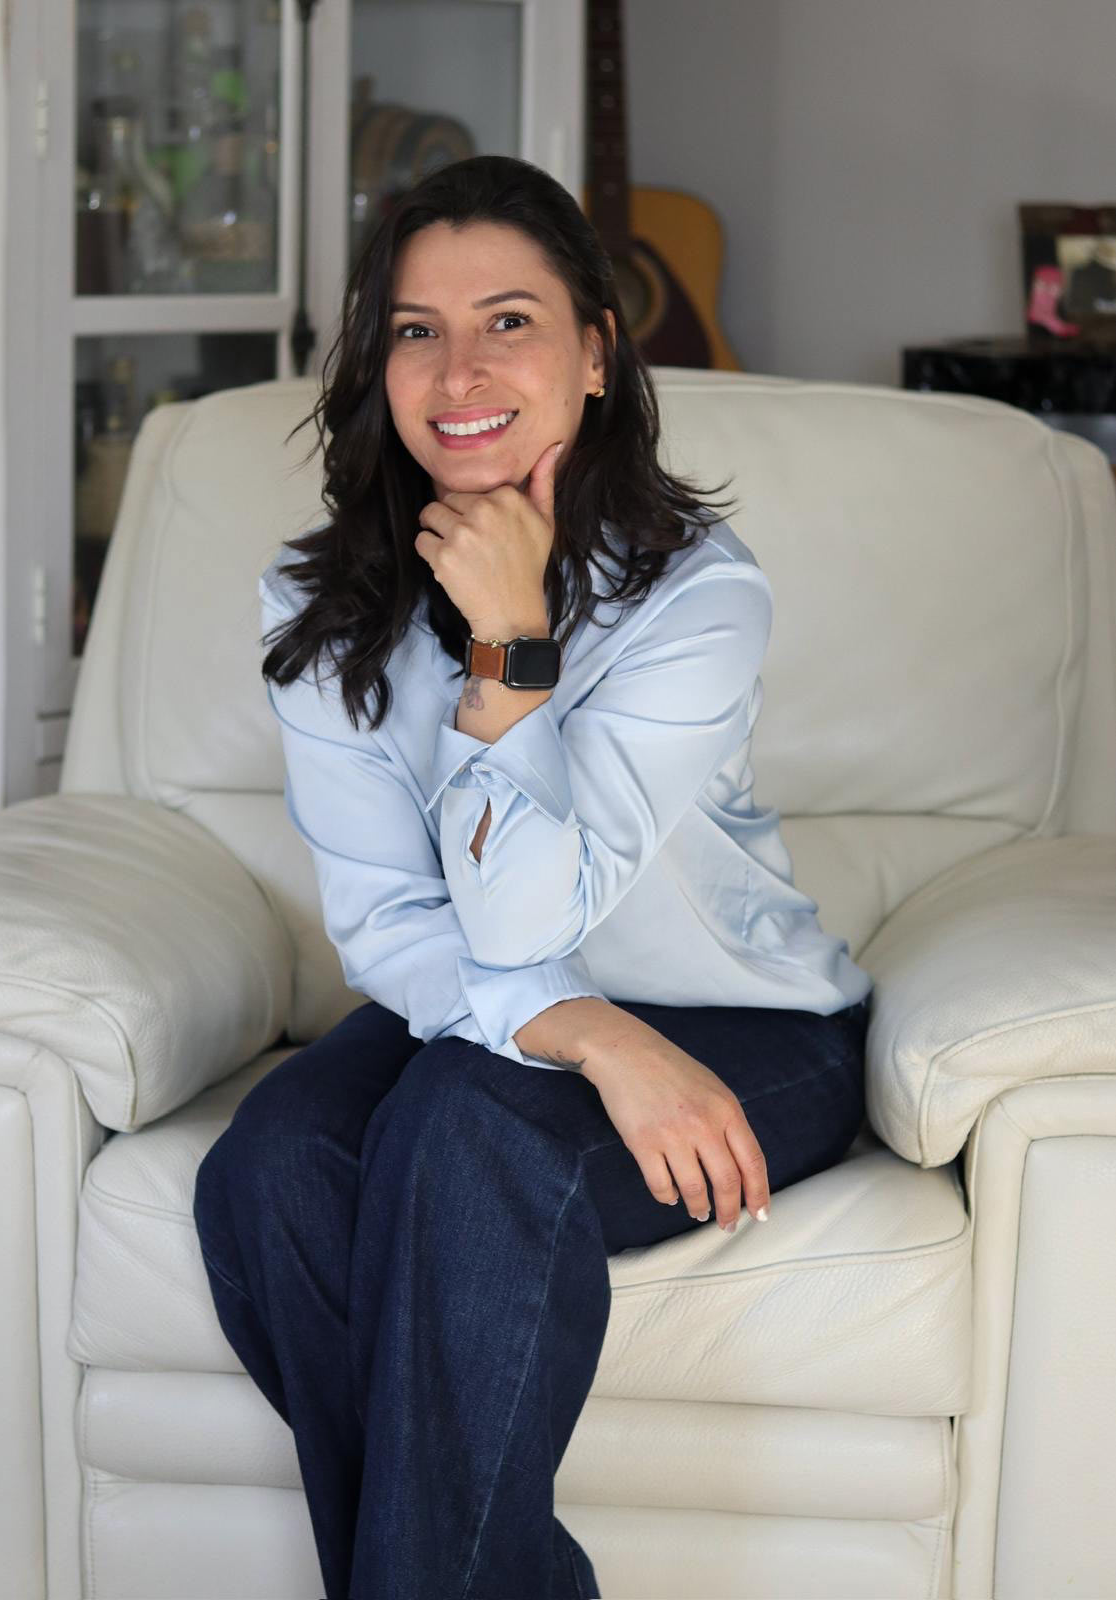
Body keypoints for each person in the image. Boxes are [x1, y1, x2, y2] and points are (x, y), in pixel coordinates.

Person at [192, 153, 874, 1600]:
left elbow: (529, 915)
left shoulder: (697, 599)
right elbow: (389, 925)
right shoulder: (317, 608)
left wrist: (509, 646)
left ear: (595, 354)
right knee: (272, 1168)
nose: (459, 373)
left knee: (465, 1130)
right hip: (494, 1018)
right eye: (415, 330)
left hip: (744, 1021)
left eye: (508, 320)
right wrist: (592, 1036)